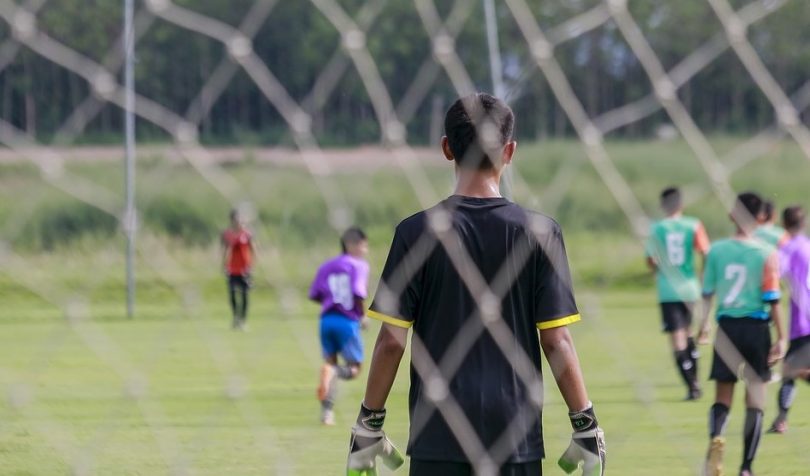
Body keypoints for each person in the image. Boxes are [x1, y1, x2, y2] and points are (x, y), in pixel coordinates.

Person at [345, 93, 605, 476]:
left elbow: (391, 342)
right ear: (510, 151)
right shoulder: (540, 233)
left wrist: (370, 423)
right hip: (514, 433)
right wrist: (584, 423)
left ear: (446, 148)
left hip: (438, 433)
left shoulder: (415, 232)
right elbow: (556, 340)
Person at [697, 192, 785, 476]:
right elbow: (773, 299)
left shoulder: (716, 251)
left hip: (727, 328)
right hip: (757, 328)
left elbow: (707, 293)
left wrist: (703, 325)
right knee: (755, 398)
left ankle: (716, 440)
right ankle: (746, 467)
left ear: (732, 215)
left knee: (723, 396)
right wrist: (782, 337)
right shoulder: (766, 252)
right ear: (760, 218)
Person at [645, 187, 711, 400]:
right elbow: (706, 252)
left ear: (663, 205)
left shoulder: (657, 228)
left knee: (677, 339)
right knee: (689, 333)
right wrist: (703, 275)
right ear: (681, 204)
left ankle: (692, 386)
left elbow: (651, 260)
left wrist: (657, 269)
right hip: (690, 287)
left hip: (668, 289)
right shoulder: (693, 224)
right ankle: (696, 380)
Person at [308, 227, 370, 426]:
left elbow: (314, 294)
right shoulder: (358, 265)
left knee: (329, 364)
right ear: (351, 245)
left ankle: (326, 414)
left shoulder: (327, 266)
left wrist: (330, 302)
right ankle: (334, 372)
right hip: (347, 321)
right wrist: (363, 316)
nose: (365, 250)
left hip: (326, 320)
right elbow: (358, 293)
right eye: (363, 245)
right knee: (355, 368)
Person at [767, 206, 810, 434]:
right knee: (793, 369)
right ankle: (780, 420)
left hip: (803, 320)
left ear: (783, 224)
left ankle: (781, 420)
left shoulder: (788, 248)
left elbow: (775, 272)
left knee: (790, 370)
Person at [221, 209, 255, 330]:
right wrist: (223, 265)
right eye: (236, 219)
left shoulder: (247, 234)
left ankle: (243, 320)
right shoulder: (228, 234)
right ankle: (236, 317)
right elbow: (225, 250)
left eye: (240, 219)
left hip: (245, 269)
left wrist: (252, 266)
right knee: (232, 293)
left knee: (245, 294)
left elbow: (253, 249)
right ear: (232, 220)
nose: (239, 221)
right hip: (232, 269)